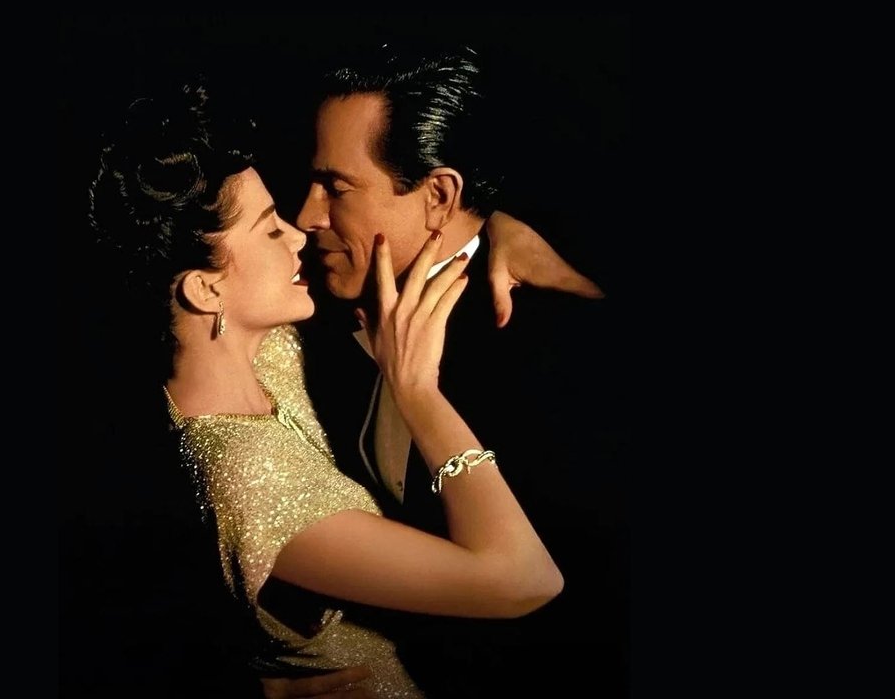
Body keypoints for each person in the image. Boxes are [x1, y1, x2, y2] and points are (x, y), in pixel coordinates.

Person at [85, 82, 586, 698]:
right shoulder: (251, 480)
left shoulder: (269, 344)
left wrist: (495, 224)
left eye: (334, 187)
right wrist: (417, 392)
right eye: (271, 230)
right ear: (206, 289)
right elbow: (524, 581)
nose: (301, 227)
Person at [272, 45, 626, 698]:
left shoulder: (557, 337)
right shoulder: (305, 310)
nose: (306, 216)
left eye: (337, 188)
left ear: (439, 194)